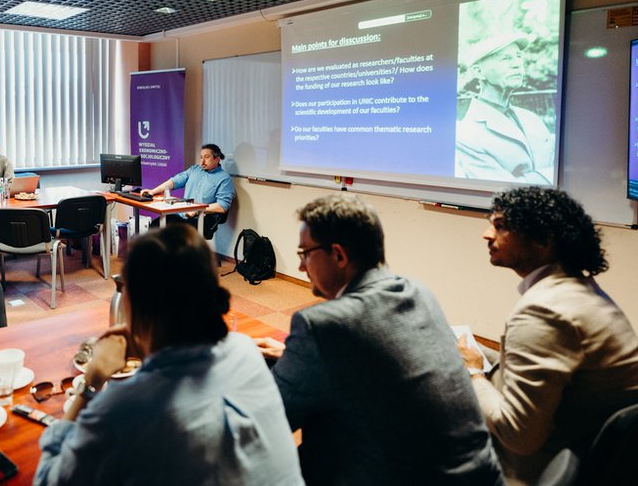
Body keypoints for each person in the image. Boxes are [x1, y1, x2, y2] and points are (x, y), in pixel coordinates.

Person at [256, 194, 503, 485]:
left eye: (305, 254)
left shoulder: (322, 324)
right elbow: (381, 362)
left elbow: (269, 420)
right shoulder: (417, 292)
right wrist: (295, 356)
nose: (301, 267)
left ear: (338, 255)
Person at [34, 223, 303, 486]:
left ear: (134, 304)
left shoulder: (123, 408)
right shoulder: (245, 351)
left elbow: (48, 479)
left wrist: (90, 384)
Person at [458, 187, 638, 485]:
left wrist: (474, 372)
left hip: (535, 469)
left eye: (500, 225)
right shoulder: (580, 289)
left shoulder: (544, 311)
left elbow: (518, 436)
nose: (486, 234)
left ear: (542, 239)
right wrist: (483, 357)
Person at [455, 33, 555, 183]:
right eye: (506, 58)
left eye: (518, 56)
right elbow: (502, 191)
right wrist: (548, 176)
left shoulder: (532, 118)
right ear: (478, 72)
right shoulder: (466, 134)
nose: (517, 63)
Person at [140, 144, 234, 236]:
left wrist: (197, 210)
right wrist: (152, 191)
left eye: (207, 157)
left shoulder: (224, 179)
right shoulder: (194, 170)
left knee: (174, 234)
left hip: (201, 218)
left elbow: (222, 206)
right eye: (201, 157)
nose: (202, 162)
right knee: (155, 226)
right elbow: (174, 182)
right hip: (182, 215)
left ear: (217, 159)